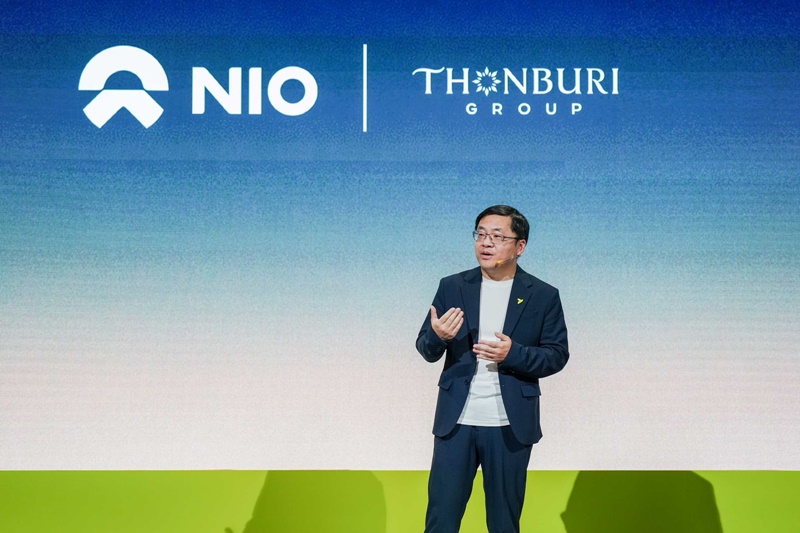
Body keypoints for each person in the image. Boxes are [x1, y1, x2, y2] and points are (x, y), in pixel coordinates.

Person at [416, 205, 569, 533]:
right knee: (441, 520)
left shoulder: (543, 295)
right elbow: (426, 349)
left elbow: (557, 355)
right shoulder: (452, 286)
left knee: (503, 523)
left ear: (520, 246)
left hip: (509, 425)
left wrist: (513, 354)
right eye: (481, 234)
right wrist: (438, 337)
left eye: (497, 237)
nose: (486, 243)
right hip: (456, 422)